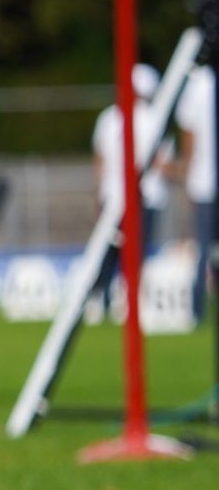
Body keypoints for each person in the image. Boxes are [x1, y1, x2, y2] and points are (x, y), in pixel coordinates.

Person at [90, 63, 173, 317]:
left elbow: (99, 160)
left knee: (109, 251)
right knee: (134, 254)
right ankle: (125, 301)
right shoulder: (155, 119)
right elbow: (162, 163)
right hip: (144, 197)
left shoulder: (108, 117)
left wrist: (99, 191)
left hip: (113, 196)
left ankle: (97, 300)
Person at [177, 63, 215, 323]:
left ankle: (197, 309)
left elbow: (188, 136)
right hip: (204, 180)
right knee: (204, 249)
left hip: (203, 182)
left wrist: (187, 178)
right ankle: (199, 308)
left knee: (204, 246)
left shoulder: (197, 84)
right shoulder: (198, 83)